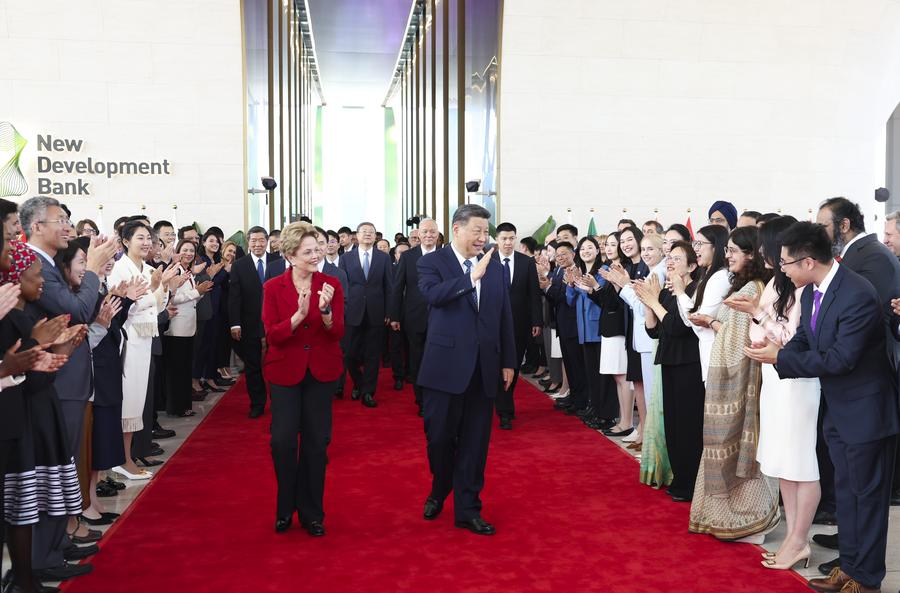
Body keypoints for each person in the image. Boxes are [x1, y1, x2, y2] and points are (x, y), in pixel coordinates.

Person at [746, 221, 899, 593]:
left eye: (786, 264)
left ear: (809, 261)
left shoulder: (856, 293)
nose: (781, 270)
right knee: (847, 496)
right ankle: (848, 569)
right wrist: (780, 352)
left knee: (868, 500)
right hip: (839, 412)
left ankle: (866, 578)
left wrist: (780, 359)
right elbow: (804, 339)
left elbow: (840, 359)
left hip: (866, 413)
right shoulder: (814, 292)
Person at [725, 216, 821, 570]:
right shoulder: (776, 285)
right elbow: (763, 336)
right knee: (782, 464)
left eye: (769, 246)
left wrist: (759, 319)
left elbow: (793, 341)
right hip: (775, 380)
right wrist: (758, 317)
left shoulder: (802, 289)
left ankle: (799, 539)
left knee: (801, 464)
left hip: (798, 384)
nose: (766, 253)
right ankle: (794, 538)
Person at [417, 204, 515, 536]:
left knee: (475, 444)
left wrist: (509, 360)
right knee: (440, 440)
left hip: (484, 368)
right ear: (457, 230)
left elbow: (504, 315)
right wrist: (470, 278)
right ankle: (440, 485)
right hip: (443, 368)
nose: (483, 238)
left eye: (486, 233)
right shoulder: (431, 262)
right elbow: (433, 296)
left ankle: (468, 509)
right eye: (478, 231)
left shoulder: (497, 267)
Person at [688, 226, 778, 543]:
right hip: (736, 375)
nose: (728, 256)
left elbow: (738, 341)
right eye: (726, 250)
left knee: (740, 449)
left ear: (752, 254)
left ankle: (744, 519)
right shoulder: (750, 287)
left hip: (740, 380)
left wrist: (712, 323)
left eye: (734, 251)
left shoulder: (752, 290)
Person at [263, 223, 343, 537]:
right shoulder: (272, 288)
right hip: (285, 371)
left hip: (321, 372)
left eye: (317, 249)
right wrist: (297, 316)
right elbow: (272, 335)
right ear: (290, 255)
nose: (315, 255)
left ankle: (312, 513)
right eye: (307, 251)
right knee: (282, 441)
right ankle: (285, 508)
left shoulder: (331, 283)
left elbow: (338, 332)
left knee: (316, 442)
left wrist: (324, 313)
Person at [107, 221, 177, 480]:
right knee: (128, 402)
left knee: (137, 401)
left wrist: (163, 286)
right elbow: (124, 306)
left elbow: (156, 309)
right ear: (125, 241)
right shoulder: (117, 269)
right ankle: (122, 459)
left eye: (149, 238)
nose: (147, 242)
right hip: (126, 342)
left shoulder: (149, 269)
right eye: (140, 238)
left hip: (145, 340)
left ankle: (126, 457)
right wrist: (154, 289)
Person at [636, 241, 701, 497]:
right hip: (669, 360)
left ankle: (691, 481)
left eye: (677, 258)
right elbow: (654, 330)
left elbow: (678, 327)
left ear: (692, 266)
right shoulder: (667, 290)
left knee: (687, 424)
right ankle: (679, 477)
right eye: (669, 258)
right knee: (672, 423)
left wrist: (655, 301)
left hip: (689, 363)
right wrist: (647, 301)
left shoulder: (693, 290)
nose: (671, 262)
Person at [229, 226, 286, 418]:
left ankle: (280, 402)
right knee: (253, 366)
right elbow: (234, 297)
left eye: (261, 240)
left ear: (267, 241)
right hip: (249, 322)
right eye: (253, 240)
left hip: (277, 323)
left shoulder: (278, 262)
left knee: (278, 364)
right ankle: (257, 403)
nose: (258, 244)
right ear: (248, 242)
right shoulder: (239, 265)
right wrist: (235, 323)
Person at [493, 222, 542, 430]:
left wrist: (536, 320)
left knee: (513, 365)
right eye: (504, 238)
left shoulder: (526, 262)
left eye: (511, 238)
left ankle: (505, 400)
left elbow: (534, 294)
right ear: (497, 240)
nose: (507, 242)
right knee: (495, 366)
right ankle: (504, 408)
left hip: (519, 324)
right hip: (492, 325)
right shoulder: (487, 260)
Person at [339, 222, 392, 408]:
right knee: (349, 354)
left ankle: (368, 392)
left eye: (372, 232)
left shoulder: (384, 258)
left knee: (372, 354)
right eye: (364, 232)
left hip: (377, 312)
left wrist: (389, 311)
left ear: (376, 236)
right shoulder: (346, 258)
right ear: (357, 236)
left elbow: (389, 286)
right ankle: (358, 383)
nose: (368, 235)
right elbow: (342, 287)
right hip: (352, 312)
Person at [565, 237, 616, 430]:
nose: (586, 251)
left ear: (597, 250)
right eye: (583, 248)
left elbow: (599, 297)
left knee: (603, 375)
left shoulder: (602, 272)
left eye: (590, 248)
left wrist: (585, 286)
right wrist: (571, 285)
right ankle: (594, 407)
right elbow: (570, 301)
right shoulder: (579, 271)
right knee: (591, 373)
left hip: (597, 328)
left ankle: (606, 413)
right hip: (584, 329)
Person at [390, 218, 439, 415]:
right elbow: (397, 288)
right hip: (414, 317)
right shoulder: (408, 257)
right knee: (417, 360)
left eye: (432, 232)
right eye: (425, 232)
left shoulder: (446, 255)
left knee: (438, 360)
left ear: (438, 235)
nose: (428, 235)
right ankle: (421, 400)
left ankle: (438, 398)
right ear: (418, 235)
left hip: (441, 317)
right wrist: (394, 316)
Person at [676, 224, 730, 382]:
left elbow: (698, 319)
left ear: (716, 247)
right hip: (707, 352)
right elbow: (689, 320)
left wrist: (680, 292)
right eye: (694, 244)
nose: (695, 249)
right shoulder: (706, 276)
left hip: (717, 353)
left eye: (700, 244)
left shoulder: (721, 277)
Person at [165, 240, 213, 416]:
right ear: (178, 251)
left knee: (185, 368)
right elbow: (172, 298)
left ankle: (184, 405)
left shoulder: (188, 272)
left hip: (188, 326)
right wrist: (196, 292)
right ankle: (177, 407)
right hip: (177, 326)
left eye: (192, 250)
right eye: (184, 250)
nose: (189, 253)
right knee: (178, 369)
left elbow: (191, 298)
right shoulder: (174, 270)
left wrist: (200, 292)